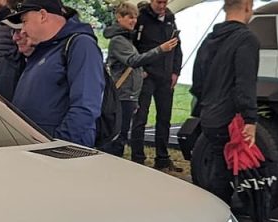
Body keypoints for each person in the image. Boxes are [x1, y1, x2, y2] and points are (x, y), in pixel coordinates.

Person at [2, 0, 104, 147]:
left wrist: (58, 144)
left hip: (59, 156)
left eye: (25, 22)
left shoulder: (80, 45)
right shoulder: (43, 50)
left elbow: (86, 106)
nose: (22, 30)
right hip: (36, 150)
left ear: (42, 15)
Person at [190, 0, 260, 203]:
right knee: (225, 172)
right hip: (229, 117)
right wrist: (250, 119)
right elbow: (245, 81)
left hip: (208, 113)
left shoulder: (210, 39)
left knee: (217, 164)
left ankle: (212, 209)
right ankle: (219, 217)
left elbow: (197, 81)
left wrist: (206, 103)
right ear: (247, 5)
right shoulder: (246, 39)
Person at [103, 2, 179, 157]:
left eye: (135, 18)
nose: (133, 21)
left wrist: (141, 72)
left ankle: (158, 157)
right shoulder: (120, 39)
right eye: (130, 17)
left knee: (123, 132)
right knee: (121, 132)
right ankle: (130, 158)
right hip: (125, 93)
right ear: (119, 18)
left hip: (133, 91)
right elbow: (133, 60)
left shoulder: (128, 38)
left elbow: (133, 61)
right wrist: (160, 50)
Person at [129, 0, 184, 170]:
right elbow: (133, 47)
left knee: (164, 119)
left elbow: (177, 47)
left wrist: (176, 71)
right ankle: (138, 158)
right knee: (140, 118)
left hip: (166, 77)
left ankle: (162, 158)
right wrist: (141, 70)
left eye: (164, 2)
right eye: (159, 2)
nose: (162, 6)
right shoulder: (141, 18)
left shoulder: (169, 18)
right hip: (147, 76)